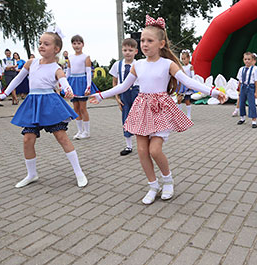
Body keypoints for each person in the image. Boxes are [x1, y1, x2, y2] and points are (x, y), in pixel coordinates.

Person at [90, 15, 226, 205]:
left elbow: (187, 81)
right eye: (143, 40)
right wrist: (101, 95)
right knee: (141, 150)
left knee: (154, 150)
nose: (144, 44)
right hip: (141, 108)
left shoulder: (167, 64)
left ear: (161, 43)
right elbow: (123, 86)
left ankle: (168, 181)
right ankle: (153, 185)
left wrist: (212, 91)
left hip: (160, 109)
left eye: (149, 41)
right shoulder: (137, 65)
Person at [0, 28, 88, 188]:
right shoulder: (31, 63)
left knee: (62, 137)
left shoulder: (56, 68)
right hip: (33, 104)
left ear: (56, 49)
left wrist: (68, 90)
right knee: (27, 139)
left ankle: (79, 173)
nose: (41, 46)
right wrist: (5, 94)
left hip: (50, 104)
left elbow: (64, 82)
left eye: (46, 44)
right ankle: (31, 174)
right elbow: (18, 79)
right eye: (40, 43)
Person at [109, 38, 139, 156]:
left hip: (136, 92)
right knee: (126, 119)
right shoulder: (118, 64)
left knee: (138, 118)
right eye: (125, 50)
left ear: (136, 51)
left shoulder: (139, 64)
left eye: (130, 50)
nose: (127, 52)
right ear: (122, 50)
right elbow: (115, 82)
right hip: (124, 93)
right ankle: (128, 146)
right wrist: (117, 98)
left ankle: (144, 144)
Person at [66, 35, 98, 139]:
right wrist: (66, 85)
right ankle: (80, 131)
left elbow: (88, 72)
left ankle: (87, 131)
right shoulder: (70, 57)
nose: (76, 45)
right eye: (74, 43)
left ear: (83, 44)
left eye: (79, 43)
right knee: (75, 108)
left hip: (82, 82)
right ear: (72, 45)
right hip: (73, 82)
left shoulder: (86, 57)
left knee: (83, 108)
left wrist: (88, 86)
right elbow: (68, 71)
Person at [236, 52, 257, 128]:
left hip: (251, 87)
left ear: (252, 60)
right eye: (245, 59)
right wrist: (239, 90)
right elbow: (240, 81)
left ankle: (254, 121)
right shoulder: (241, 69)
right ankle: (242, 118)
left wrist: (256, 92)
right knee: (241, 103)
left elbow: (256, 81)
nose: (247, 61)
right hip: (243, 87)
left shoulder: (255, 69)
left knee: (251, 104)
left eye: (249, 59)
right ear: (243, 60)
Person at [177, 49, 195, 119]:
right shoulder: (181, 67)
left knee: (187, 100)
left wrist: (191, 85)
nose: (183, 60)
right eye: (182, 59)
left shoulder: (190, 66)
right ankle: (179, 114)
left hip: (188, 85)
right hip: (181, 85)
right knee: (179, 99)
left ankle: (188, 115)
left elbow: (193, 77)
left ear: (188, 58)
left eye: (185, 59)